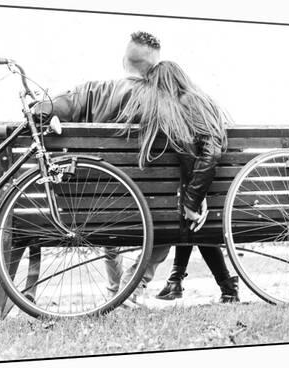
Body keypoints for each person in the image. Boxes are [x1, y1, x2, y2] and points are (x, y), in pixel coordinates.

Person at [32, 39, 239, 304]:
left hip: (90, 208)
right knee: (166, 218)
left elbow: (48, 106)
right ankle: (133, 286)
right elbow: (196, 149)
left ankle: (114, 289)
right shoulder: (170, 103)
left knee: (106, 205)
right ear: (154, 68)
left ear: (124, 61)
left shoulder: (93, 91)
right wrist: (193, 195)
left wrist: (44, 112)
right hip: (153, 212)